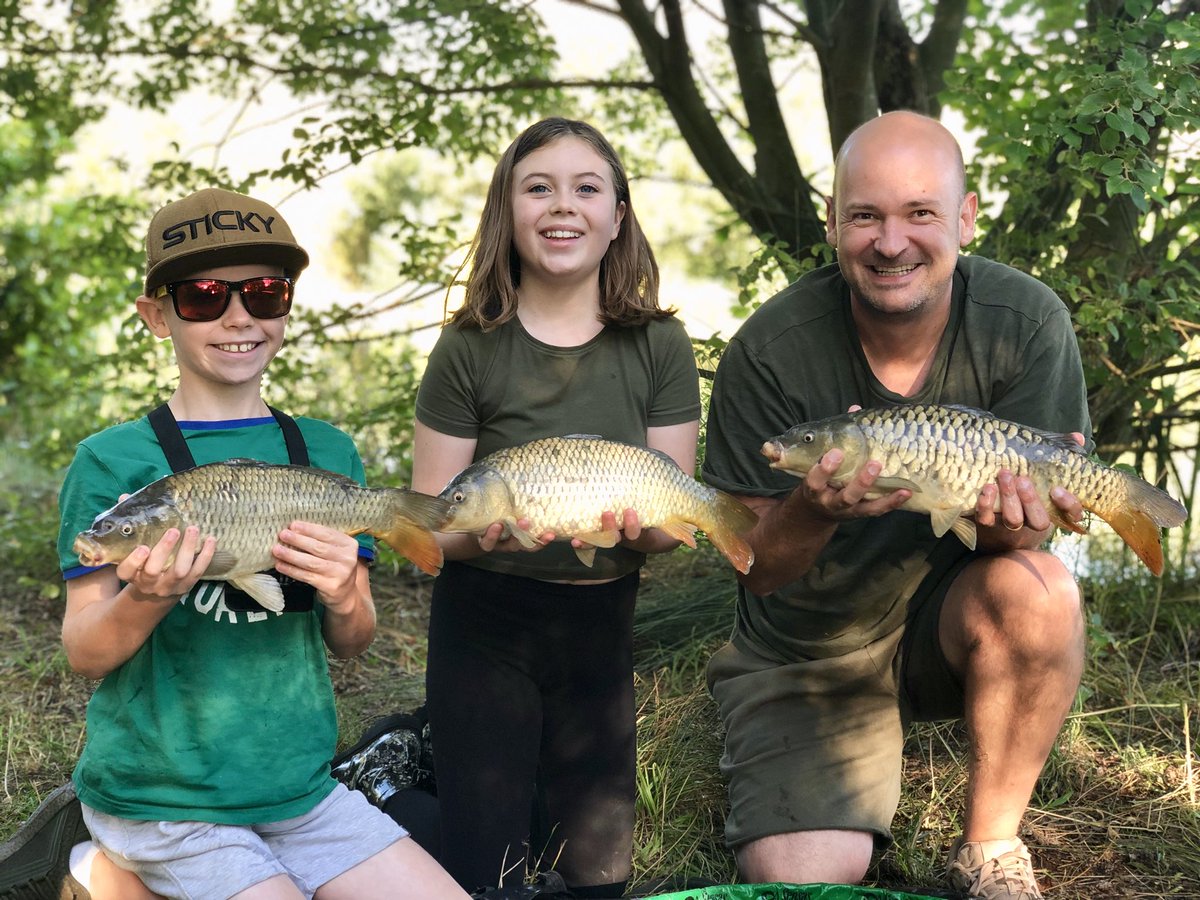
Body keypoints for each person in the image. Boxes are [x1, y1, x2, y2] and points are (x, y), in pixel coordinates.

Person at [17, 187, 468, 900]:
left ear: (286, 306)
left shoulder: (324, 451)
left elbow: (352, 641)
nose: (238, 317)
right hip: (160, 797)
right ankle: (104, 868)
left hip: (298, 790)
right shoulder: (113, 462)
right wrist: (147, 597)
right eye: (203, 297)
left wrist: (347, 592)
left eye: (264, 294)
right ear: (156, 315)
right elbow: (84, 651)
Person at [700, 111, 1090, 900]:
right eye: (866, 215)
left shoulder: (1026, 323)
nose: (891, 242)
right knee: (803, 878)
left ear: (966, 217)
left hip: (947, 623)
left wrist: (1016, 525)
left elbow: (1020, 550)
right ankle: (819, 766)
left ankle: (990, 847)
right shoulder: (770, 350)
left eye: (920, 213)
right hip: (808, 648)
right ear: (833, 222)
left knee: (1043, 592)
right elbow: (756, 570)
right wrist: (814, 509)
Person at [407, 117, 702, 896]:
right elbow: (435, 527)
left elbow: (671, 524)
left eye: (586, 188)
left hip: (599, 633)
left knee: (599, 879)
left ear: (617, 218)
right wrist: (486, 537)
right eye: (537, 187)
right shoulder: (468, 347)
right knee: (490, 875)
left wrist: (649, 528)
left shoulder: (661, 346)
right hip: (483, 629)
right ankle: (409, 812)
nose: (561, 206)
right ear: (507, 212)